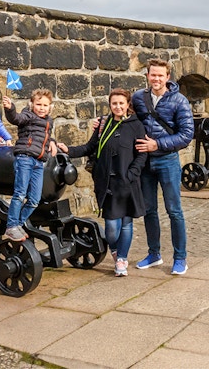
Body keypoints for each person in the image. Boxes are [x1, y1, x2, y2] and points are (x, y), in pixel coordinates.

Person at [58, 88, 147, 277]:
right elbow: (90, 147)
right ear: (110, 105)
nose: (118, 106)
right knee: (112, 228)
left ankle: (122, 259)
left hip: (128, 183)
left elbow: (141, 154)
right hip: (106, 184)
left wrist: (132, 174)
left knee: (126, 224)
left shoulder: (136, 125)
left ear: (127, 104)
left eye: (121, 103)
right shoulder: (103, 125)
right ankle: (114, 250)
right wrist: (69, 150)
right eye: (114, 103)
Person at [132, 58, 194, 275]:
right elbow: (124, 117)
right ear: (147, 76)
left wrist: (157, 144)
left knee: (174, 210)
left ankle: (180, 258)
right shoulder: (139, 98)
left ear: (167, 77)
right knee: (149, 210)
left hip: (167, 161)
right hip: (145, 162)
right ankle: (154, 254)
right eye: (152, 74)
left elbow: (186, 135)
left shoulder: (179, 101)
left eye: (160, 75)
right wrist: (101, 122)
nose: (156, 79)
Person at [2, 88, 57, 242]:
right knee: (20, 194)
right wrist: (10, 108)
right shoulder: (28, 115)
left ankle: (18, 224)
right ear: (32, 104)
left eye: (45, 105)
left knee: (34, 199)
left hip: (39, 162)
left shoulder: (48, 121)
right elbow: (16, 119)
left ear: (50, 107)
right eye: (38, 104)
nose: (42, 108)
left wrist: (52, 142)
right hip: (25, 158)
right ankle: (11, 226)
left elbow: (45, 138)